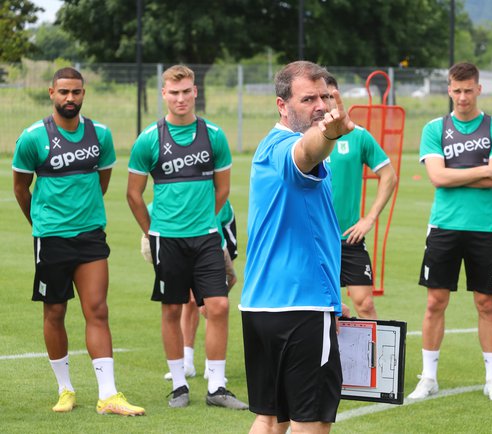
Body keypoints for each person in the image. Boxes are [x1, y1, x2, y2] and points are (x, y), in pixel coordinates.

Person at [12, 67, 144, 416]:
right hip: (51, 237)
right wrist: (42, 222)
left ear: (84, 94)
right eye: (64, 92)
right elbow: (21, 188)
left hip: (90, 235)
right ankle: (65, 389)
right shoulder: (32, 138)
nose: (70, 98)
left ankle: (108, 395)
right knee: (55, 311)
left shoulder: (100, 134)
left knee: (97, 309)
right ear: (51, 92)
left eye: (77, 92)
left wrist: (81, 214)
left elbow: (101, 182)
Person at [240, 60, 354, 434]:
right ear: (282, 105)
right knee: (313, 422)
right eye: (308, 98)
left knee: (270, 420)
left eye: (324, 96)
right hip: (300, 306)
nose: (319, 104)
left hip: (261, 306)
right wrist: (330, 135)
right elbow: (306, 153)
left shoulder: (266, 146)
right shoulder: (287, 147)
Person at [126, 64, 247, 410]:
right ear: (164, 94)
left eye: (186, 91)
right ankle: (179, 384)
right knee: (171, 308)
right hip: (167, 238)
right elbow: (133, 194)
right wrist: (153, 230)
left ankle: (217, 386)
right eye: (173, 92)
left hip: (207, 236)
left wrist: (204, 218)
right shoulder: (149, 139)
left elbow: (222, 189)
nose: (180, 98)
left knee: (219, 305)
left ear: (195, 92)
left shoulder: (214, 135)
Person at [408, 62, 492, 402]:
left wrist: (458, 173)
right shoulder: (434, 129)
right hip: (443, 226)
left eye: (469, 90)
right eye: (457, 90)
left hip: (483, 228)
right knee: (435, 302)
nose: (463, 97)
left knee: (485, 303)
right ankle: (429, 378)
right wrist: (484, 171)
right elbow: (438, 178)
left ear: (479, 89)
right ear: (448, 90)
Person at [325, 75, 398, 319]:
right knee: (324, 310)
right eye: (321, 98)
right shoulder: (303, 138)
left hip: (349, 238)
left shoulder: (358, 136)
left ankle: (372, 359)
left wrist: (370, 218)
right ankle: (328, 357)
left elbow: (389, 175)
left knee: (365, 304)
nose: (327, 103)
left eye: (331, 97)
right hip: (315, 239)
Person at [139, 202, 238, 381]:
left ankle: (212, 367)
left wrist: (228, 259)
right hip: (179, 249)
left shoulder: (216, 198)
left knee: (213, 305)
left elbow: (228, 223)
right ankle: (187, 363)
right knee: (189, 301)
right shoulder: (163, 201)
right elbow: (148, 219)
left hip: (212, 249)